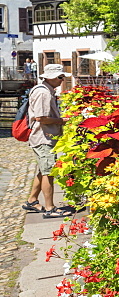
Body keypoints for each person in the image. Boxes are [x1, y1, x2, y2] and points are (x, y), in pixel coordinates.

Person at [22, 64, 70, 218]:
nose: (62, 80)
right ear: (51, 78)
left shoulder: (44, 90)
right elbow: (41, 118)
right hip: (44, 137)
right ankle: (50, 208)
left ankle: (32, 200)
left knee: (43, 170)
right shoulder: (43, 93)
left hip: (43, 136)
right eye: (60, 77)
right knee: (49, 172)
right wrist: (62, 121)